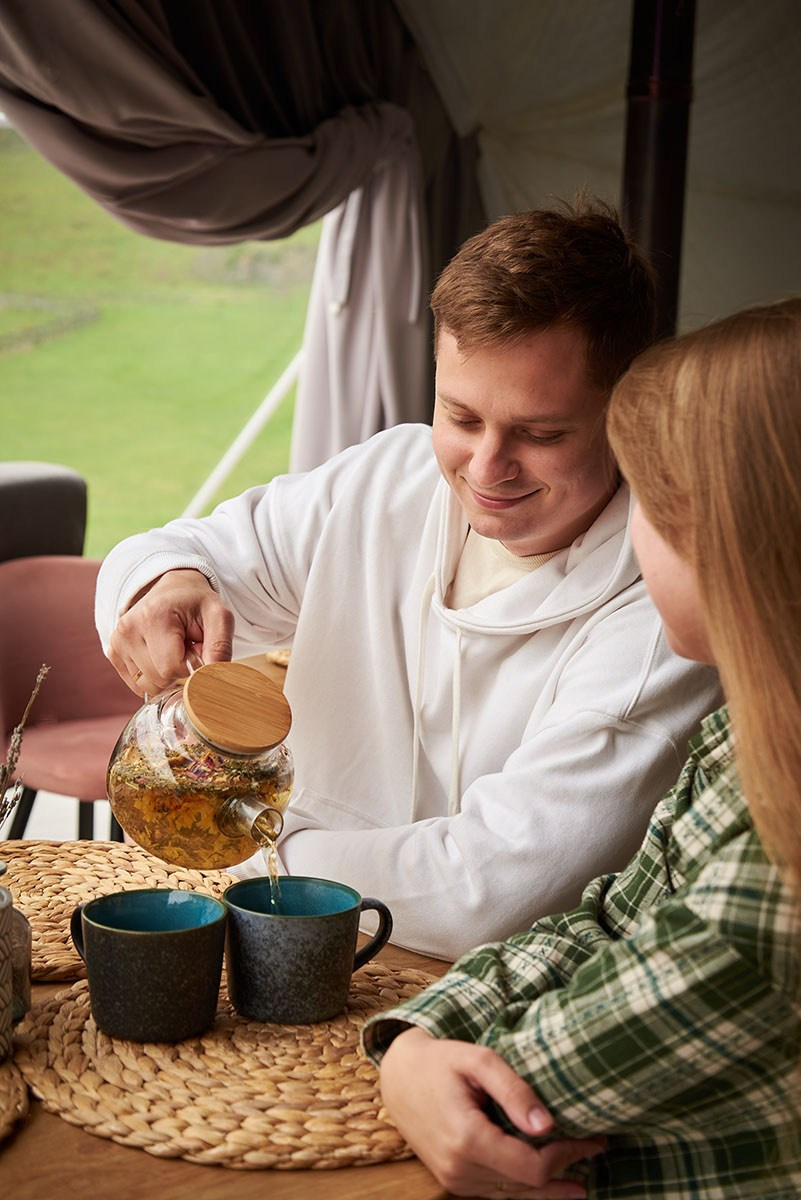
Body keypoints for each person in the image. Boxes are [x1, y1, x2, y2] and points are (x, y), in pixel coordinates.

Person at [95, 195, 720, 959]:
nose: (486, 468)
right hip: (283, 932)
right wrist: (161, 584)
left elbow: (486, 894)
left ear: (627, 415)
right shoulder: (386, 479)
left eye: (540, 433)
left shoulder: (661, 610)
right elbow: (181, 547)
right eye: (460, 417)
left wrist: (258, 849)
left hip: (480, 994)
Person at [363, 297, 801, 1199]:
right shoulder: (739, 737)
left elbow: (521, 1097)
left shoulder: (776, 879)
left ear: (730, 542)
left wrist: (419, 1071)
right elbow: (607, 923)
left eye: (651, 505)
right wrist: (416, 1039)